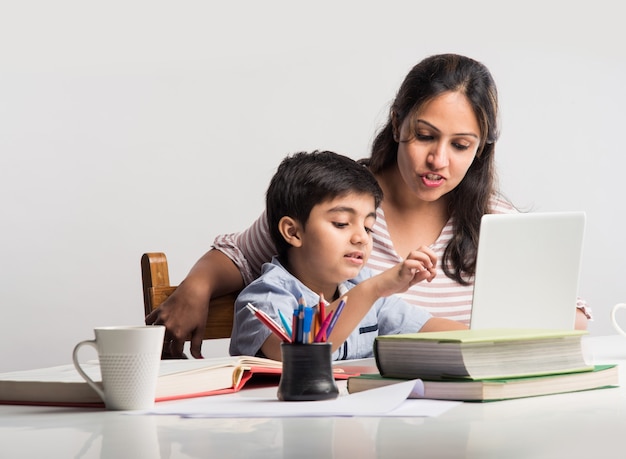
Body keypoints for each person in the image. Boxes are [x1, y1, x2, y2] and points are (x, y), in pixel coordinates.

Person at [146, 53, 591, 359]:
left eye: (460, 145)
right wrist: (196, 287)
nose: (438, 160)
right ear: (398, 122)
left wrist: (505, 340)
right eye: (424, 136)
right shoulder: (339, 198)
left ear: (480, 149)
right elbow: (241, 257)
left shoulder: (493, 220)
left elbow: (563, 314)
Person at [230, 150, 466, 361]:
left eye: (368, 227)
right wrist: (374, 289)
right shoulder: (267, 297)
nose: (361, 237)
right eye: (342, 223)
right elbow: (298, 351)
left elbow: (430, 328)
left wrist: (488, 337)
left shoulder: (361, 286)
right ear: (293, 232)